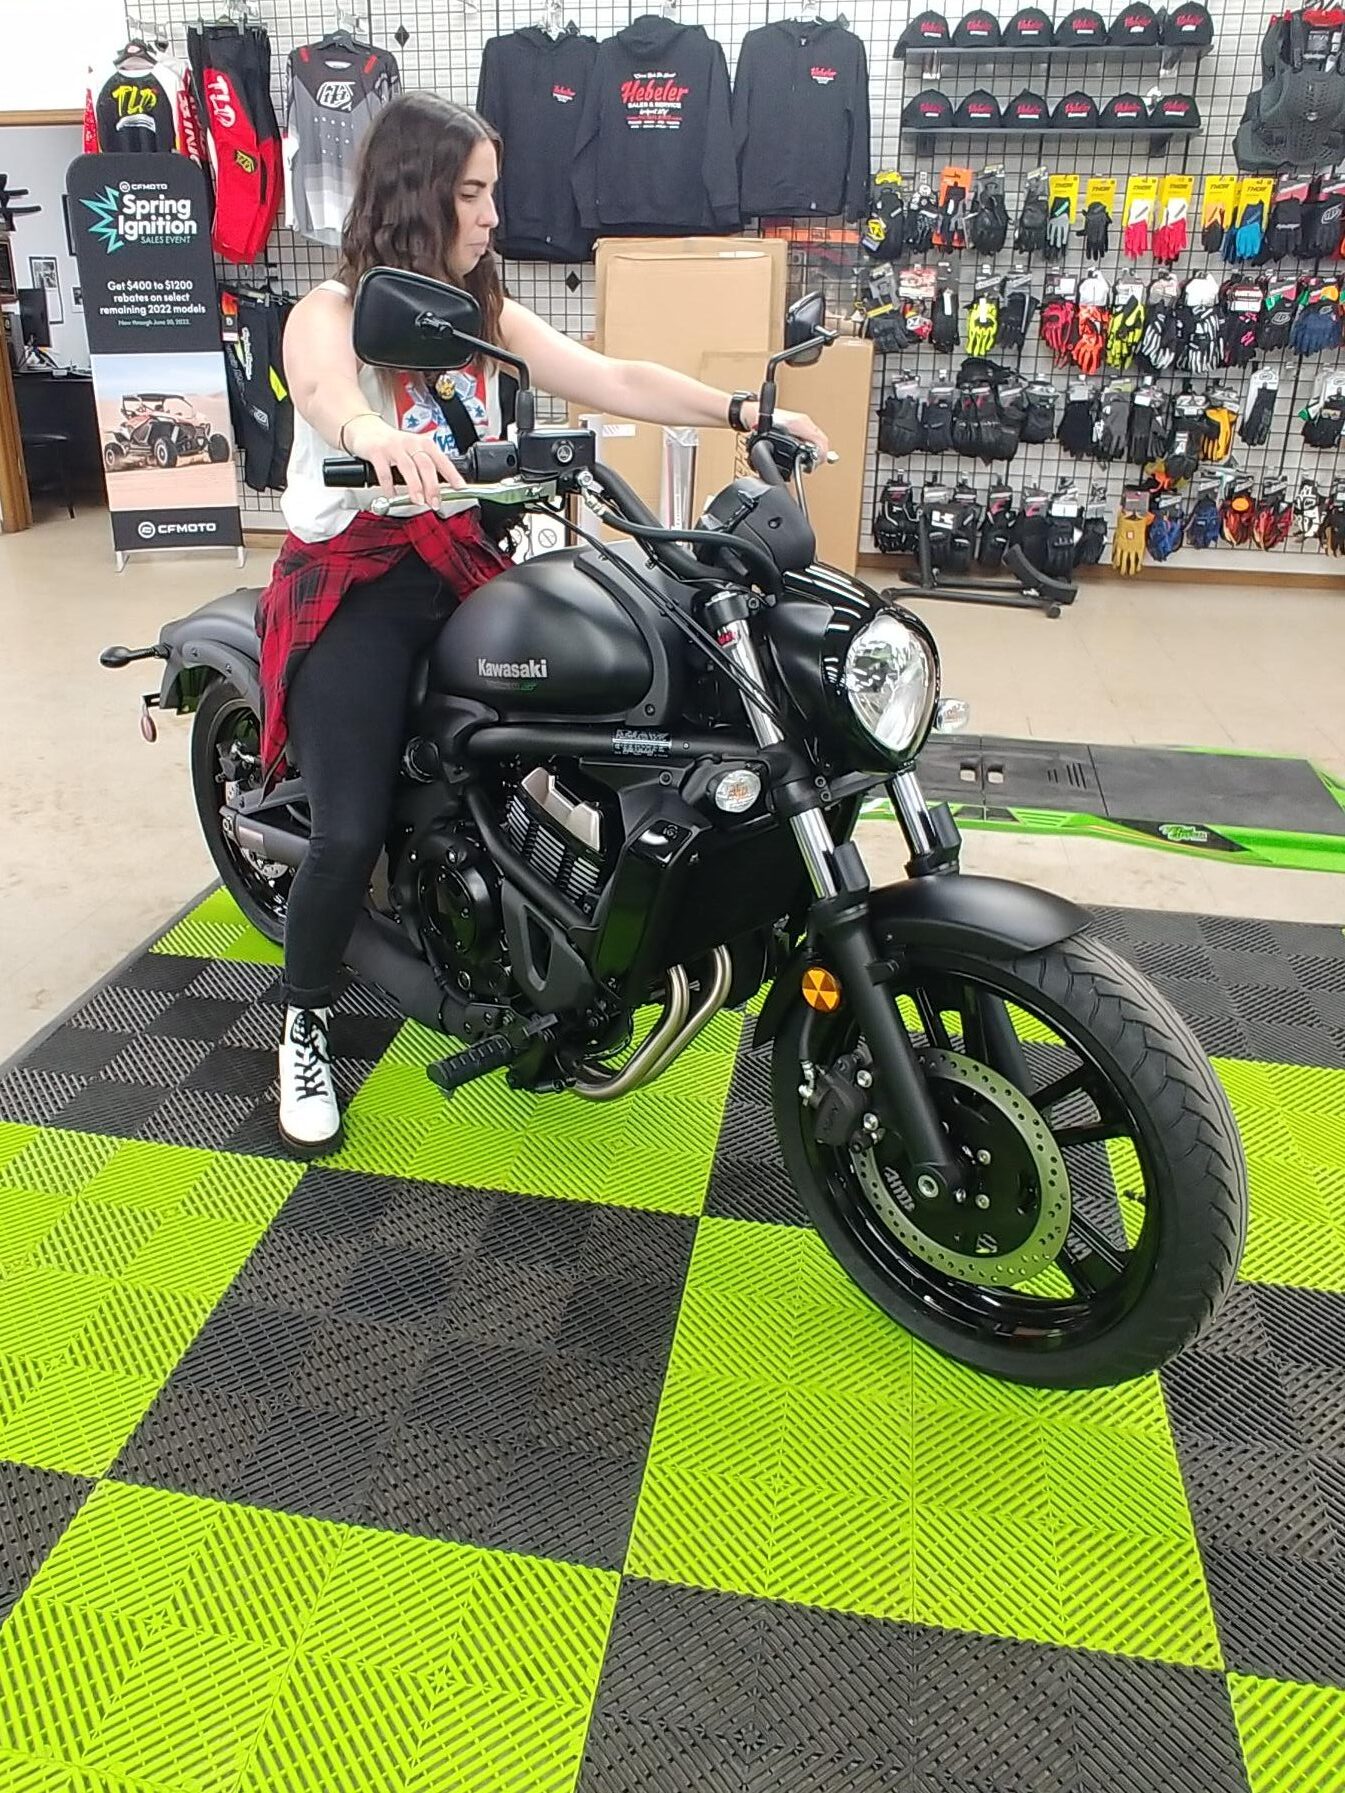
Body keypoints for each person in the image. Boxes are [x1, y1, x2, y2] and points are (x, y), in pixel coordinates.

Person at [262, 91, 829, 1157]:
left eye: (491, 193)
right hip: (362, 583)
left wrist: (743, 412)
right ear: (415, 194)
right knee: (345, 826)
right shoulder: (331, 311)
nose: (489, 216)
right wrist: (369, 433)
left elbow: (612, 374)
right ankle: (303, 1019)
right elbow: (327, 389)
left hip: (472, 564)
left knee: (620, 706)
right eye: (471, 194)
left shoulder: (480, 316)